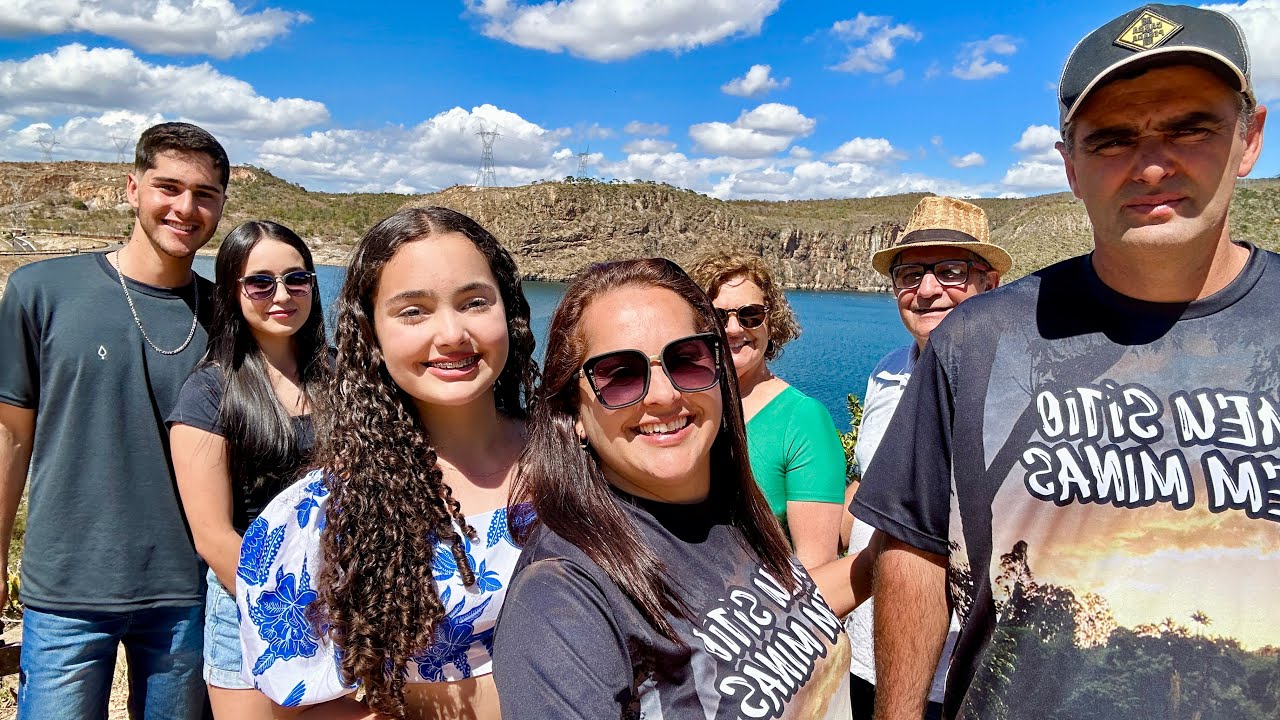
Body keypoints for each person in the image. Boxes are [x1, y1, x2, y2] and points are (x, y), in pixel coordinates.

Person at [849, 4, 1276, 719]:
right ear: (1070, 165)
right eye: (1111, 139)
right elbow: (914, 548)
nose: (1150, 164)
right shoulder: (978, 342)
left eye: (1191, 128)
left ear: (1250, 137)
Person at [493, 258, 851, 719]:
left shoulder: (730, 512)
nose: (662, 395)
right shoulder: (562, 597)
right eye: (618, 374)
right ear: (574, 412)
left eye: (687, 359)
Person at [236, 207, 538, 720]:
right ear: (370, 334)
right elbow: (301, 707)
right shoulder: (325, 511)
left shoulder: (583, 460)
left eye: (474, 302)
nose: (451, 334)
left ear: (508, 312)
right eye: (413, 311)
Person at [0, 122, 228, 719]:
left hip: (188, 593)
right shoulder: (40, 290)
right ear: (132, 189)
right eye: (168, 187)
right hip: (66, 589)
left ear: (221, 206)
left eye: (204, 194)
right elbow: (10, 437)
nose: (185, 207)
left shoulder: (230, 317)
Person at [841, 196, 1008, 720]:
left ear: (991, 283)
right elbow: (874, 486)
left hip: (960, 673)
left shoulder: (1017, 390)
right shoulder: (886, 374)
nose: (928, 291)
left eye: (951, 271)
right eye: (910, 275)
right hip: (869, 654)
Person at [168, 221, 329, 719]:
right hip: (251, 613)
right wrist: (292, 613)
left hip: (338, 607)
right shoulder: (211, 392)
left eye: (296, 278)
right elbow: (212, 535)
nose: (281, 294)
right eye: (260, 282)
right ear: (233, 292)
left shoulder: (342, 380)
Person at [689, 252, 846, 569]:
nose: (733, 329)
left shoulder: (802, 419)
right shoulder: (679, 407)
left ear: (770, 323)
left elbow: (816, 566)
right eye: (717, 316)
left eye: (750, 315)